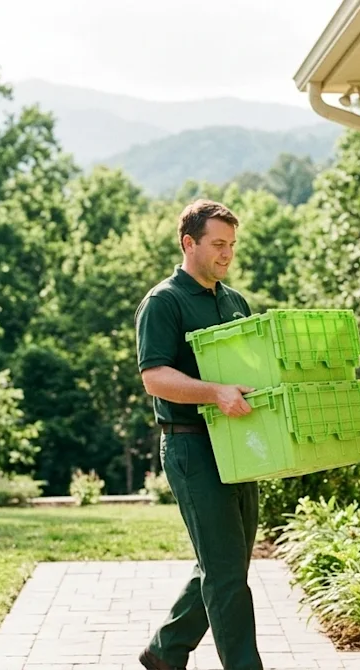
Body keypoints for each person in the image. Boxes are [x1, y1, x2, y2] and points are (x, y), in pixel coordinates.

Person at [134, 199, 263, 670]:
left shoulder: (233, 301)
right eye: (217, 244)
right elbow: (154, 377)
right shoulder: (163, 301)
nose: (227, 254)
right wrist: (214, 394)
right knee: (227, 572)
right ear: (189, 243)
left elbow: (250, 368)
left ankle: (165, 651)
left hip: (238, 443)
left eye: (231, 244)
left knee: (228, 563)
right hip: (191, 444)